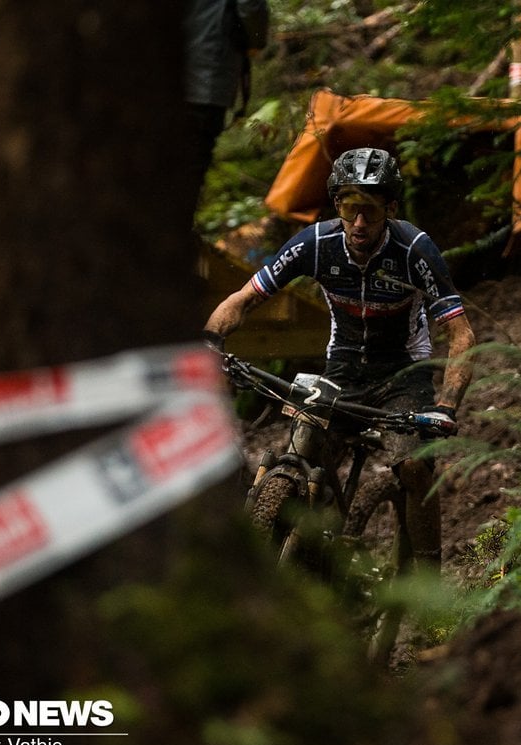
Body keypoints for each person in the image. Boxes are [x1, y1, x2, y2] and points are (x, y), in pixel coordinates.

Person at [204, 147, 477, 572]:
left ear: (390, 207)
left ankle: (429, 583)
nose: (360, 222)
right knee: (300, 449)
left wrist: (446, 406)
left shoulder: (414, 250)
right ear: (338, 206)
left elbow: (461, 333)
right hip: (343, 369)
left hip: (403, 373)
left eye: (370, 209)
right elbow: (244, 300)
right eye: (351, 208)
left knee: (414, 468)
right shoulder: (316, 243)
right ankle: (306, 554)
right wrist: (210, 341)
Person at [183, 0, 270, 206]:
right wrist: (256, 39)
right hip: (205, 79)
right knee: (190, 166)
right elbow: (250, 7)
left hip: (155, 80)